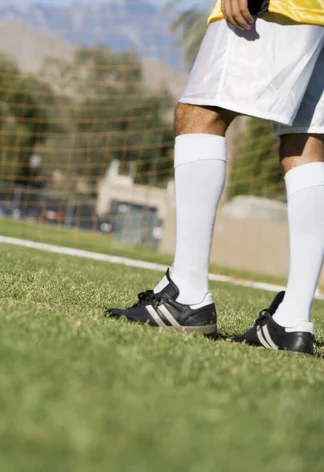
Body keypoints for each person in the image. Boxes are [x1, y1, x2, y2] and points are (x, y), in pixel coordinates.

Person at [107, 0, 324, 355]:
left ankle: (187, 297)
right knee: (306, 142)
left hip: (285, 6)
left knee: (200, 112)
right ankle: (292, 321)